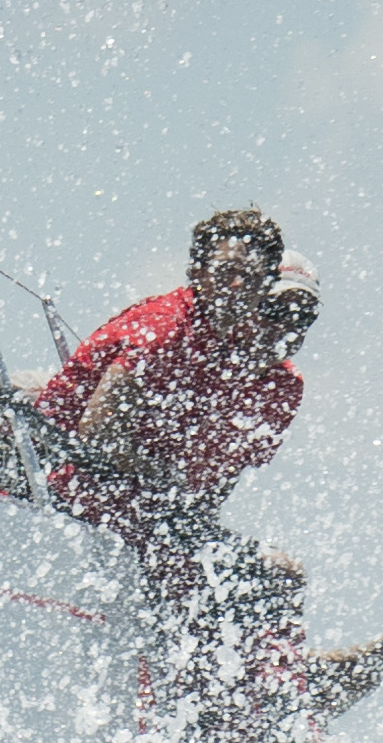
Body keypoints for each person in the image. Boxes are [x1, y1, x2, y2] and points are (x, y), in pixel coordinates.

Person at [23, 208, 308, 566]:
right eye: (226, 272)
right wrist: (169, 481)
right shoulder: (164, 329)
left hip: (141, 508)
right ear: (196, 273)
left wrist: (189, 515)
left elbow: (217, 482)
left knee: (280, 571)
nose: (236, 287)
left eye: (250, 278)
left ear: (265, 287)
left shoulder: (239, 354)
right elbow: (97, 435)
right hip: (63, 490)